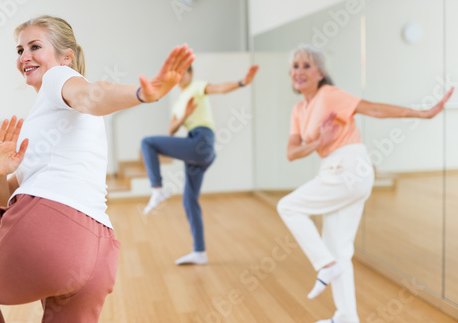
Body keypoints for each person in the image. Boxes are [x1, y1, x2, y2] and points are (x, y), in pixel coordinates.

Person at [0, 15, 194, 323]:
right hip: (97, 255)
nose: (24, 56)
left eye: (35, 46)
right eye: (19, 50)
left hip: (46, 226)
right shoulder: (48, 120)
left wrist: (142, 93)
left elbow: (93, 94)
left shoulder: (59, 79)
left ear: (65, 57)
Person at [276, 45, 453, 323]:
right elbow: (291, 153)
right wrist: (319, 142)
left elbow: (373, 109)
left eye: (306, 66)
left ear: (320, 73)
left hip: (349, 167)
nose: (299, 71)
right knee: (339, 248)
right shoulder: (299, 110)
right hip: (334, 171)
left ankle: (324, 264)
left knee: (287, 206)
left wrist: (422, 114)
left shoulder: (329, 95)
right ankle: (346, 317)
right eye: (295, 66)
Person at [140, 64, 259, 265]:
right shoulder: (178, 102)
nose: (180, 76)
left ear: (191, 74)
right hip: (197, 150)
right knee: (189, 200)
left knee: (147, 142)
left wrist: (242, 82)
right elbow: (171, 130)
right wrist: (185, 115)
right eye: (177, 73)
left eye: (184, 72)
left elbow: (220, 89)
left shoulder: (197, 87)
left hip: (201, 143)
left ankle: (157, 188)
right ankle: (199, 252)